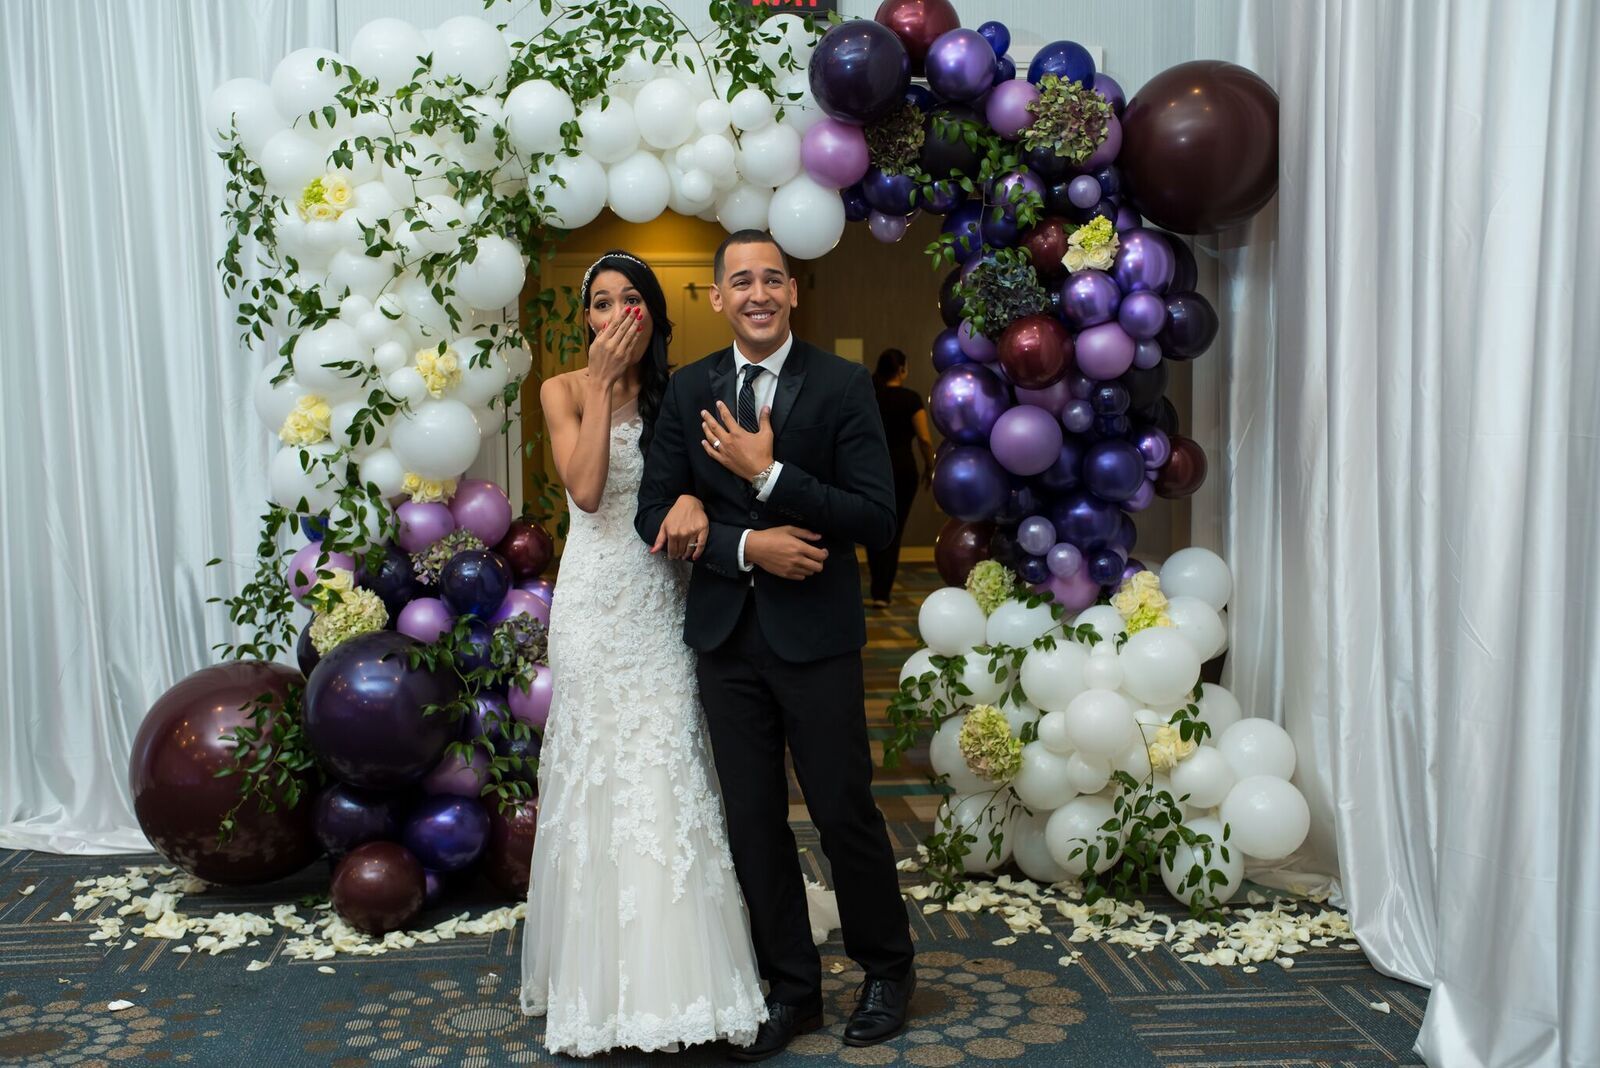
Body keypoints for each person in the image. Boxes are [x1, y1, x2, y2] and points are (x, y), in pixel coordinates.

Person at [636, 230, 917, 1062]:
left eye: (772, 279)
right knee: (752, 823)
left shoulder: (842, 386)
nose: (756, 293)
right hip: (726, 639)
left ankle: (887, 969)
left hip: (818, 638)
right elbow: (655, 511)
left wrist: (770, 478)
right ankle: (792, 988)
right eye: (739, 282)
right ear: (717, 299)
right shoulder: (688, 391)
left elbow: (877, 516)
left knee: (844, 813)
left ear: (793, 292)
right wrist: (744, 545)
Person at [520, 251, 768, 1057]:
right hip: (594, 604)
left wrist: (695, 494)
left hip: (663, 602)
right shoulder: (563, 390)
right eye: (602, 302)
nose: (617, 313)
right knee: (599, 771)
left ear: (654, 318)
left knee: (666, 764)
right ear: (587, 318)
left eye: (633, 300)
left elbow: (704, 491)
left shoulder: (682, 394)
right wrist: (597, 385)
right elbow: (587, 491)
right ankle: (595, 979)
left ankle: (681, 975)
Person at [867, 348, 934, 607]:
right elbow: (925, 440)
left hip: (873, 469)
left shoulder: (871, 397)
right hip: (903, 469)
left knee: (874, 528)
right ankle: (882, 593)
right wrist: (930, 467)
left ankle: (876, 586)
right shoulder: (910, 398)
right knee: (895, 530)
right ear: (902, 370)